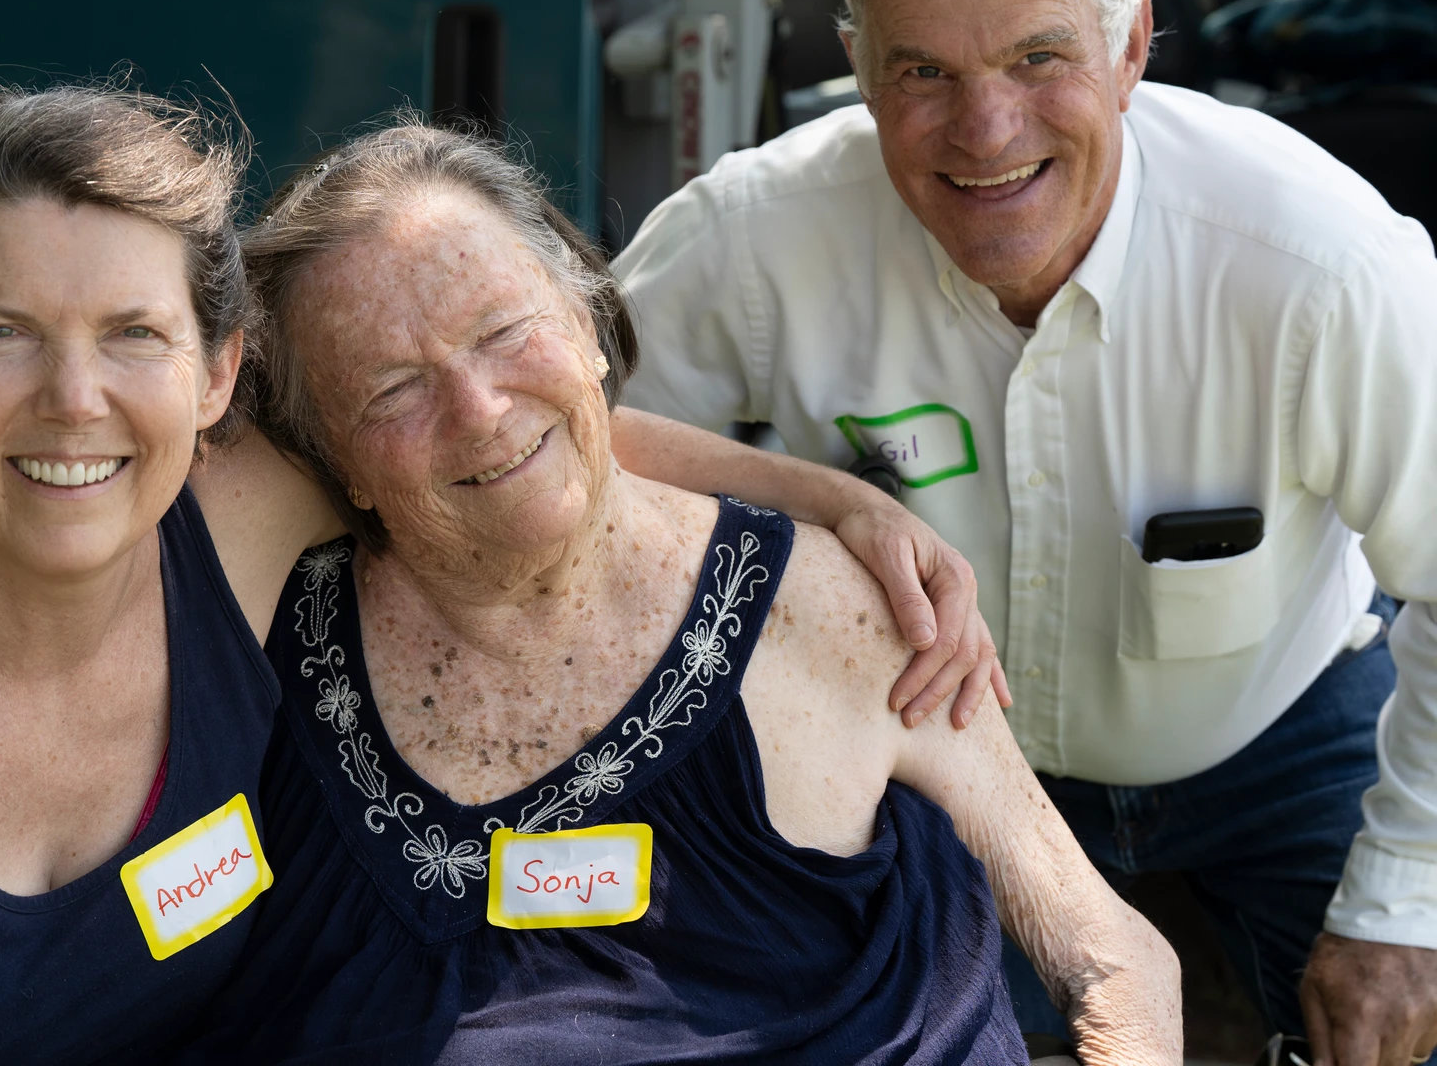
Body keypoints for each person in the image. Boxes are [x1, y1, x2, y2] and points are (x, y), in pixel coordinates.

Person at [0, 82, 1002, 1065]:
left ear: (220, 374)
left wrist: (832, 504)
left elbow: (513, 433)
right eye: (3, 334)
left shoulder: (229, 521)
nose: (75, 400)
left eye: (133, 334)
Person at [611, 0, 1437, 1062]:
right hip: (936, 746)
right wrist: (821, 502)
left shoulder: (1321, 261)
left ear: (1133, 47)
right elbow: (580, 449)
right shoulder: (752, 235)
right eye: (922, 72)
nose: (987, 129)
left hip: (1282, 715)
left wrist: (1404, 908)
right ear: (857, 69)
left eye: (1039, 57)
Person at [176, 121, 1181, 1065]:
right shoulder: (259, 642)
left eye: (505, 330)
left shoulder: (838, 610)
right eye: (394, 389)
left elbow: (1114, 958)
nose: (479, 411)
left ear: (587, 321)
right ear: (325, 457)